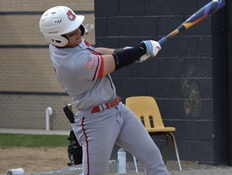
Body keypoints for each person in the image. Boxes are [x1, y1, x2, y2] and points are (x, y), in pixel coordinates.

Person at [39, 6, 169, 175]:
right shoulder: (73, 63)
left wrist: (126, 52)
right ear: (57, 39)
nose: (78, 32)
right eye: (71, 32)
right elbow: (113, 63)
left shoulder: (69, 45)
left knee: (153, 158)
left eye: (76, 28)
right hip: (95, 121)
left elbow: (97, 52)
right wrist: (141, 49)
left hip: (118, 110)